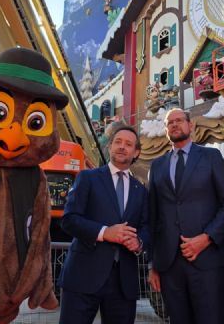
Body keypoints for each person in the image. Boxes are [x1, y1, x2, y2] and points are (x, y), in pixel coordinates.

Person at [148, 108, 224, 324]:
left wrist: (207, 238)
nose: (175, 124)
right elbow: (153, 217)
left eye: (179, 120)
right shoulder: (157, 166)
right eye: (170, 122)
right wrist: (153, 264)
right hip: (169, 266)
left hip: (207, 259)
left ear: (190, 125)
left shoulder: (211, 157)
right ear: (166, 130)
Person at [58, 125, 149, 324]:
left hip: (123, 284)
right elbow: (69, 219)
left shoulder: (140, 190)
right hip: (83, 277)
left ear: (136, 152)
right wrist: (105, 232)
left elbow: (146, 227)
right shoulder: (87, 178)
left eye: (128, 144)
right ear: (109, 147)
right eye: (118, 142)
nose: (122, 147)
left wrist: (139, 242)